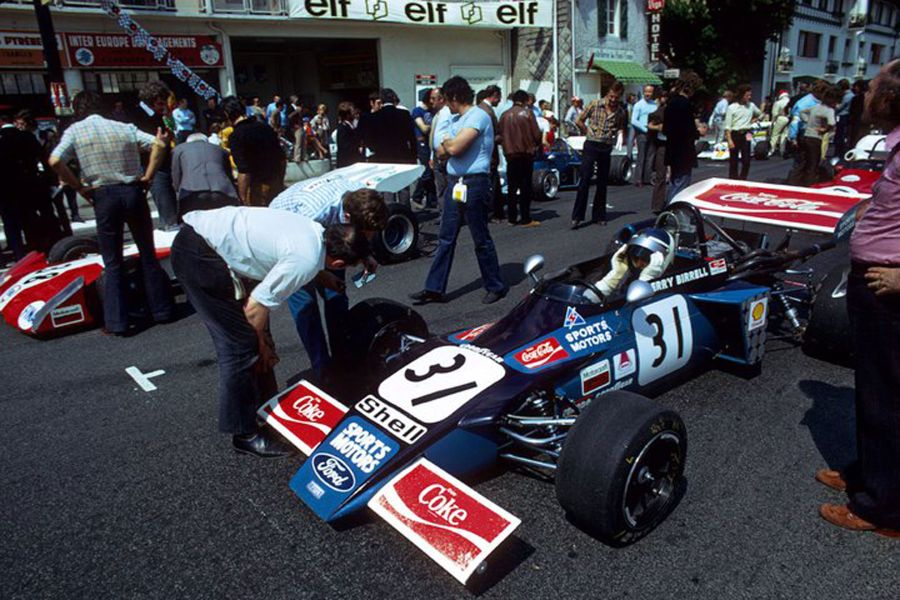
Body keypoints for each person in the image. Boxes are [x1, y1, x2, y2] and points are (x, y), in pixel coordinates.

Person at [171, 206, 367, 458]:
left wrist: (322, 277)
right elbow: (255, 307)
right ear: (338, 263)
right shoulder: (305, 260)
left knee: (255, 340)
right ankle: (245, 434)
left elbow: (290, 254)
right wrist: (261, 344)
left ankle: (263, 402)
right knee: (241, 346)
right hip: (201, 256)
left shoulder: (315, 230)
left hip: (199, 236)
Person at [817, 59, 900, 538]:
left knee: (888, 398)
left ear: (888, 100)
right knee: (873, 392)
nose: (864, 95)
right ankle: (870, 475)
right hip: (874, 283)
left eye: (872, 88)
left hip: (890, 292)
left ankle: (882, 508)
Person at [49, 91, 174, 335]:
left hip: (103, 194)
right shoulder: (123, 127)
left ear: (78, 110)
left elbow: (55, 161)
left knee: (112, 261)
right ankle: (163, 310)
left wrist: (79, 187)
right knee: (147, 253)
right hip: (133, 191)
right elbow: (159, 144)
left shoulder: (75, 131)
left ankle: (118, 321)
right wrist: (147, 175)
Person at [270, 179, 386, 376]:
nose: (368, 239)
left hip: (325, 234)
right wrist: (320, 274)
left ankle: (343, 359)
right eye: (365, 235)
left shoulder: (359, 197)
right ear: (348, 218)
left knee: (337, 297)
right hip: (285, 237)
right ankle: (323, 370)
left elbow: (356, 237)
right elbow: (297, 256)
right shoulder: (311, 214)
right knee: (306, 307)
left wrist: (364, 254)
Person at [409, 75, 507, 305]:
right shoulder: (456, 118)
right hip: (455, 181)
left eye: (446, 99)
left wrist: (448, 143)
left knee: (480, 237)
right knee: (446, 237)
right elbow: (441, 150)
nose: (445, 105)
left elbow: (453, 148)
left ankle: (495, 285)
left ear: (454, 97)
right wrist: (448, 144)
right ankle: (434, 288)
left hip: (475, 182)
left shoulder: (478, 116)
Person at [572, 82, 628, 228]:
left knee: (602, 182)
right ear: (607, 94)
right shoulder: (595, 104)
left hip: (606, 146)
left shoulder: (620, 111)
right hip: (591, 144)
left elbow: (621, 126)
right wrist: (587, 131)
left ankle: (599, 215)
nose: (613, 100)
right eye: (611, 96)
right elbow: (579, 120)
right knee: (585, 178)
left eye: (616, 97)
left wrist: (619, 135)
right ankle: (577, 216)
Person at [222, 96, 286, 206]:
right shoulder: (265, 127)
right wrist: (280, 181)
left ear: (227, 114)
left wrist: (242, 198)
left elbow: (244, 170)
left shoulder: (236, 135)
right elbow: (282, 159)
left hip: (258, 189)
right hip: (276, 184)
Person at [136, 81, 179, 230]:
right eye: (160, 103)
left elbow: (171, 130)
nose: (163, 107)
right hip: (152, 165)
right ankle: (170, 225)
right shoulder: (136, 115)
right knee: (163, 195)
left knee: (170, 196)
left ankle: (171, 223)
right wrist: (158, 143)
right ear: (151, 100)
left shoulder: (159, 115)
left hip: (164, 161)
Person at [498, 89, 542, 227]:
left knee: (512, 187)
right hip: (526, 154)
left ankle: (512, 218)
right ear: (524, 100)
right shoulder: (528, 113)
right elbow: (536, 134)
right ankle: (525, 218)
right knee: (525, 187)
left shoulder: (504, 115)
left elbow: (499, 135)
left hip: (510, 155)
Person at [591, 228, 674, 300]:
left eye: (646, 260)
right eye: (635, 258)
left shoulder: (672, 290)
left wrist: (648, 281)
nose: (638, 265)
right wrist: (612, 279)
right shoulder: (624, 280)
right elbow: (587, 301)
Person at [171, 132, 239, 218]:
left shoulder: (178, 149)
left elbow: (176, 173)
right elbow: (228, 173)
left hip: (192, 191)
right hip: (222, 190)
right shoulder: (220, 149)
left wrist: (178, 190)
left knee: (191, 223)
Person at [664, 72, 703, 204]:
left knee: (674, 183)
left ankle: (669, 212)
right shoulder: (686, 105)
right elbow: (688, 130)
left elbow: (666, 129)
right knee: (681, 185)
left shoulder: (671, 103)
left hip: (672, 149)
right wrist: (698, 132)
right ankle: (674, 215)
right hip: (683, 151)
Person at [357, 88, 417, 164]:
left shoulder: (372, 117)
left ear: (381, 100)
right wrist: (413, 156)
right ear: (394, 99)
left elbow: (368, 139)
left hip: (382, 157)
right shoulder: (404, 114)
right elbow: (412, 137)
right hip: (402, 156)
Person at [795, 85, 839, 186]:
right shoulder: (829, 110)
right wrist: (825, 129)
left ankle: (795, 182)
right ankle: (809, 184)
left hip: (806, 135)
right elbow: (832, 123)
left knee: (802, 162)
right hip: (815, 138)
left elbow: (801, 112)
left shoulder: (815, 107)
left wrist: (807, 121)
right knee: (813, 164)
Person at [786, 80, 827, 185]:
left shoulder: (814, 102)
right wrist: (793, 137)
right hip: (807, 134)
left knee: (805, 162)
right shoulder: (805, 103)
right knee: (809, 162)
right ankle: (803, 184)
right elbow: (795, 121)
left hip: (810, 134)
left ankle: (800, 183)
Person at [724, 84, 762, 180]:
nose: (749, 97)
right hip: (735, 133)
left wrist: (753, 120)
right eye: (747, 95)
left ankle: (743, 178)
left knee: (747, 159)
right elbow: (727, 126)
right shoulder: (732, 108)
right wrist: (729, 140)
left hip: (747, 133)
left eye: (750, 95)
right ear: (741, 95)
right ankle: (733, 178)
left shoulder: (751, 106)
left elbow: (760, 114)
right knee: (734, 159)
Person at [476, 85, 503, 221]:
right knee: (490, 184)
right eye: (499, 97)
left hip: (483, 155)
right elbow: (490, 135)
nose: (500, 101)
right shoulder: (487, 112)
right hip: (489, 155)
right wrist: (501, 136)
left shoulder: (480, 109)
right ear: (494, 95)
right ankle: (491, 213)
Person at [411, 88, 437, 209]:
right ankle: (417, 196)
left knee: (432, 172)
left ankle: (432, 199)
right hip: (421, 143)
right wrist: (436, 125)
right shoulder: (417, 111)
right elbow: (423, 128)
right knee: (426, 172)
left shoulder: (433, 111)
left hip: (431, 143)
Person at [631, 85, 657, 187]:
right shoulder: (638, 105)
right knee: (641, 156)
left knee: (650, 156)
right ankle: (638, 179)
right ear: (643, 92)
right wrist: (644, 128)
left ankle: (647, 178)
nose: (648, 94)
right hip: (642, 133)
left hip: (652, 133)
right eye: (646, 92)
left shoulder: (654, 104)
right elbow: (633, 120)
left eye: (650, 92)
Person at [647, 91, 669, 214]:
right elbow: (650, 125)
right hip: (662, 145)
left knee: (673, 176)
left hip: (673, 145)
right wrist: (658, 127)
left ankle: (669, 202)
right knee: (661, 175)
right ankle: (657, 205)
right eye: (663, 97)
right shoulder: (658, 112)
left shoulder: (675, 111)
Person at [335, 101, 362, 168]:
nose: (354, 113)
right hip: (347, 164)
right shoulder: (343, 128)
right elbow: (345, 147)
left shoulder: (351, 127)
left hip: (353, 162)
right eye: (352, 112)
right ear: (347, 115)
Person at [834, 79, 854, 158]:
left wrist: (834, 105)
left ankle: (839, 152)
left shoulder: (848, 96)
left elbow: (840, 107)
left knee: (840, 135)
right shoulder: (848, 95)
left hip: (843, 116)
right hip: (843, 115)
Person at [847, 79, 869, 150]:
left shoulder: (856, 98)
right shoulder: (867, 98)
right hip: (863, 120)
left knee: (854, 137)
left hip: (856, 119)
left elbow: (851, 110)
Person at [769, 90, 791, 157]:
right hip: (788, 118)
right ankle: (782, 150)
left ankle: (771, 150)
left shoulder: (778, 102)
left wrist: (772, 122)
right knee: (784, 135)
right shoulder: (790, 101)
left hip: (780, 118)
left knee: (775, 134)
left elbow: (774, 114)